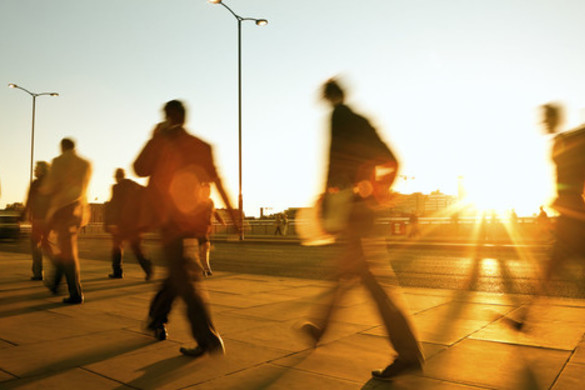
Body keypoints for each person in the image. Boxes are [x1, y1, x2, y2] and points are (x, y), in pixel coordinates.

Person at [301, 79, 424, 381]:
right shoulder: (361, 121)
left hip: (352, 208)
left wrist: (330, 198)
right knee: (348, 272)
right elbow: (391, 160)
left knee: (369, 279)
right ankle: (320, 328)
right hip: (359, 207)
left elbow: (334, 164)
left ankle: (408, 353)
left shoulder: (339, 117)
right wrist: (378, 192)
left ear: (331, 96)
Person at [134, 99, 240, 358]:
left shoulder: (161, 143)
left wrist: (154, 138)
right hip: (192, 222)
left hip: (170, 221)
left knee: (184, 278)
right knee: (178, 274)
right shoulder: (202, 146)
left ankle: (207, 338)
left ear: (168, 117)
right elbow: (218, 180)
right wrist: (233, 213)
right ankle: (156, 318)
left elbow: (139, 168)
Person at [513, 103, 585, 329]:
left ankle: (524, 320)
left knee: (549, 269)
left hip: (574, 216)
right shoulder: (564, 140)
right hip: (570, 215)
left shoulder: (573, 139)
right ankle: (524, 320)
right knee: (549, 268)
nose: (543, 123)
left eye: (546, 119)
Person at [40, 138, 92, 304]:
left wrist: (44, 190)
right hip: (79, 211)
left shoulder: (58, 161)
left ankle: (76, 293)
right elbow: (83, 188)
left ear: (62, 147)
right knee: (65, 248)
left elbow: (50, 186)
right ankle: (55, 283)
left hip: (62, 210)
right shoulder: (86, 163)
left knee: (65, 251)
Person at [104, 168, 153, 280]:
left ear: (117, 177)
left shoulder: (116, 188)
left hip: (121, 224)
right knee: (136, 248)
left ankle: (117, 272)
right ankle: (148, 267)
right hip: (134, 224)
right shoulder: (134, 185)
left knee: (117, 248)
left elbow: (115, 206)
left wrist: (112, 222)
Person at [23, 161, 52, 281]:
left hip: (38, 219)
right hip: (49, 220)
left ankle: (38, 272)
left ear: (42, 170)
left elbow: (30, 201)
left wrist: (23, 214)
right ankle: (59, 269)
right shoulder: (51, 183)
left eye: (37, 168)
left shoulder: (35, 184)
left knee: (36, 245)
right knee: (49, 246)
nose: (35, 170)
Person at [196, 182, 225, 277]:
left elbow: (215, 213)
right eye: (206, 190)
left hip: (206, 229)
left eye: (209, 191)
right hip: (197, 229)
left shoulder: (210, 202)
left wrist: (221, 221)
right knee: (204, 247)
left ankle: (203, 269)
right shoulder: (197, 201)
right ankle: (206, 269)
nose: (208, 192)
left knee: (203, 249)